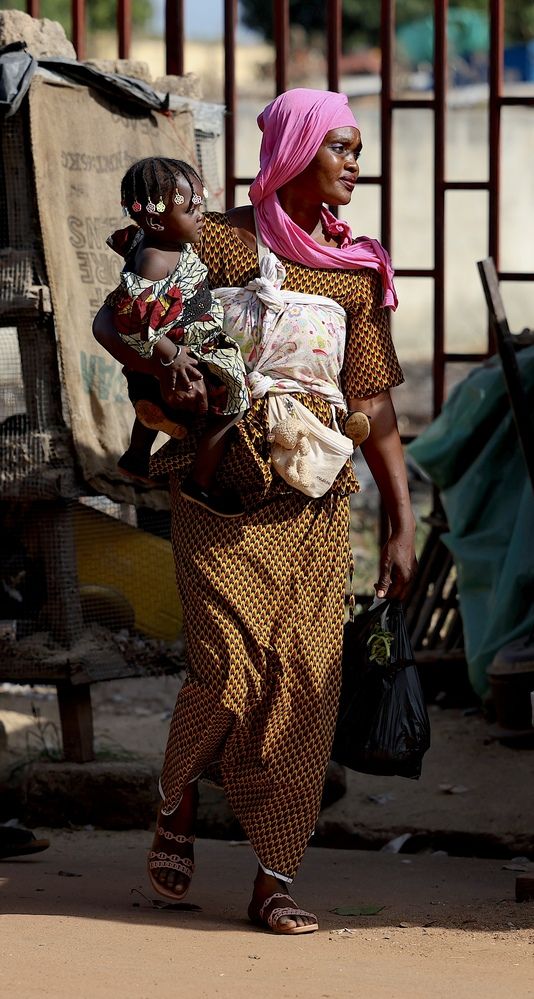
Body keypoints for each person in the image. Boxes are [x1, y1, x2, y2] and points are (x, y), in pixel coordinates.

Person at [93, 88, 417, 935]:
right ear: (297, 148)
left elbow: (371, 402)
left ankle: (275, 877)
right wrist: (169, 376)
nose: (355, 163)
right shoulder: (220, 242)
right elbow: (128, 312)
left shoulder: (355, 270)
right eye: (340, 146)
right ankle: (179, 799)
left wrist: (400, 516)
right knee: (229, 665)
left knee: (306, 686)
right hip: (218, 486)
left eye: (356, 148)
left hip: (313, 501)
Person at [104, 156, 249, 516]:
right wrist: (173, 355)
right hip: (178, 348)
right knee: (234, 400)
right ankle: (200, 483)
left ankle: (137, 456)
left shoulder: (161, 242)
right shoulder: (156, 259)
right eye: (190, 209)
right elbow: (138, 315)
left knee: (153, 402)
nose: (200, 215)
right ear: (156, 219)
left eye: (200, 205)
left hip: (169, 349)